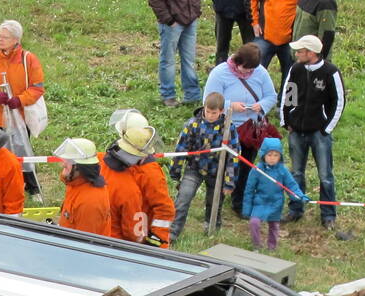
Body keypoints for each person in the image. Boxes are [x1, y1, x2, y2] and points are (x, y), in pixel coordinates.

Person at [278, 34, 348, 237]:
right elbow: (287, 94)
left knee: (325, 176)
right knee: (296, 173)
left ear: (311, 53)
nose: (297, 53)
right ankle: (295, 209)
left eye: (300, 51)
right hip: (296, 131)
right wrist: (286, 120)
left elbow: (339, 102)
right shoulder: (296, 69)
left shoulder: (331, 72)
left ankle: (328, 215)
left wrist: (327, 128)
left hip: (319, 133)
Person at [202, 43, 277, 216]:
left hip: (249, 130)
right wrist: (230, 106)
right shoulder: (220, 73)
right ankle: (215, 202)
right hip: (225, 128)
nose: (247, 73)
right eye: (244, 68)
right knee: (222, 166)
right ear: (237, 61)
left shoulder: (261, 73)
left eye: (251, 70)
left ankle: (239, 202)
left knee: (245, 167)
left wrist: (261, 106)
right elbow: (208, 100)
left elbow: (271, 96)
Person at [0, 20, 45, 200]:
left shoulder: (28, 59)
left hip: (20, 117)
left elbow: (37, 88)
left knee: (22, 152)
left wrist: (19, 100)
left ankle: (33, 189)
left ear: (16, 39)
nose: (0, 40)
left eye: (5, 37)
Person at [168, 92, 240, 241]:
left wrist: (229, 182)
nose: (210, 115)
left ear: (221, 111)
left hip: (216, 171)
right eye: (208, 111)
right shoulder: (192, 124)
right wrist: (175, 172)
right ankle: (172, 233)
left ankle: (211, 230)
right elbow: (181, 149)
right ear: (204, 108)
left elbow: (233, 156)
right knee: (183, 198)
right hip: (194, 168)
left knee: (214, 202)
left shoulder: (229, 128)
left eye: (214, 113)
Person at [99, 110, 175, 246]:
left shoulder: (150, 173)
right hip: (125, 232)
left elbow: (164, 209)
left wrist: (156, 240)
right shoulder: (120, 161)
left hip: (142, 236)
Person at [242, 136, 306, 251]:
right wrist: (247, 209)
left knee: (274, 226)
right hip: (260, 203)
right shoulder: (257, 170)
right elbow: (249, 190)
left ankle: (272, 247)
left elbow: (291, 185)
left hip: (276, 203)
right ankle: (257, 245)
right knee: (254, 223)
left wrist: (299, 196)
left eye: (276, 155)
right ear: (263, 155)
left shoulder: (283, 170)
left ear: (280, 156)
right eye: (269, 155)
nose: (272, 158)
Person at [148, 0, 202, 108]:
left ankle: (192, 95)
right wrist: (169, 20)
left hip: (190, 20)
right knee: (168, 60)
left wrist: (195, 11)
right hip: (171, 23)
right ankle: (168, 95)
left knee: (189, 59)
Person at [54, 137, 112, 235]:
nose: (63, 164)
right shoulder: (75, 183)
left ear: (79, 167)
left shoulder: (90, 202)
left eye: (68, 161)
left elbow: (85, 245)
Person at [251, 0, 298, 92]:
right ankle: (252, 100)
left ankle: (287, 104)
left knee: (292, 75)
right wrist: (255, 22)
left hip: (290, 40)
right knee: (253, 70)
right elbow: (252, 2)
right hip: (264, 36)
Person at [211, 0, 254, 66]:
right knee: (221, 47)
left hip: (246, 10)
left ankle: (251, 72)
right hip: (222, 8)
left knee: (250, 48)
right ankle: (220, 73)